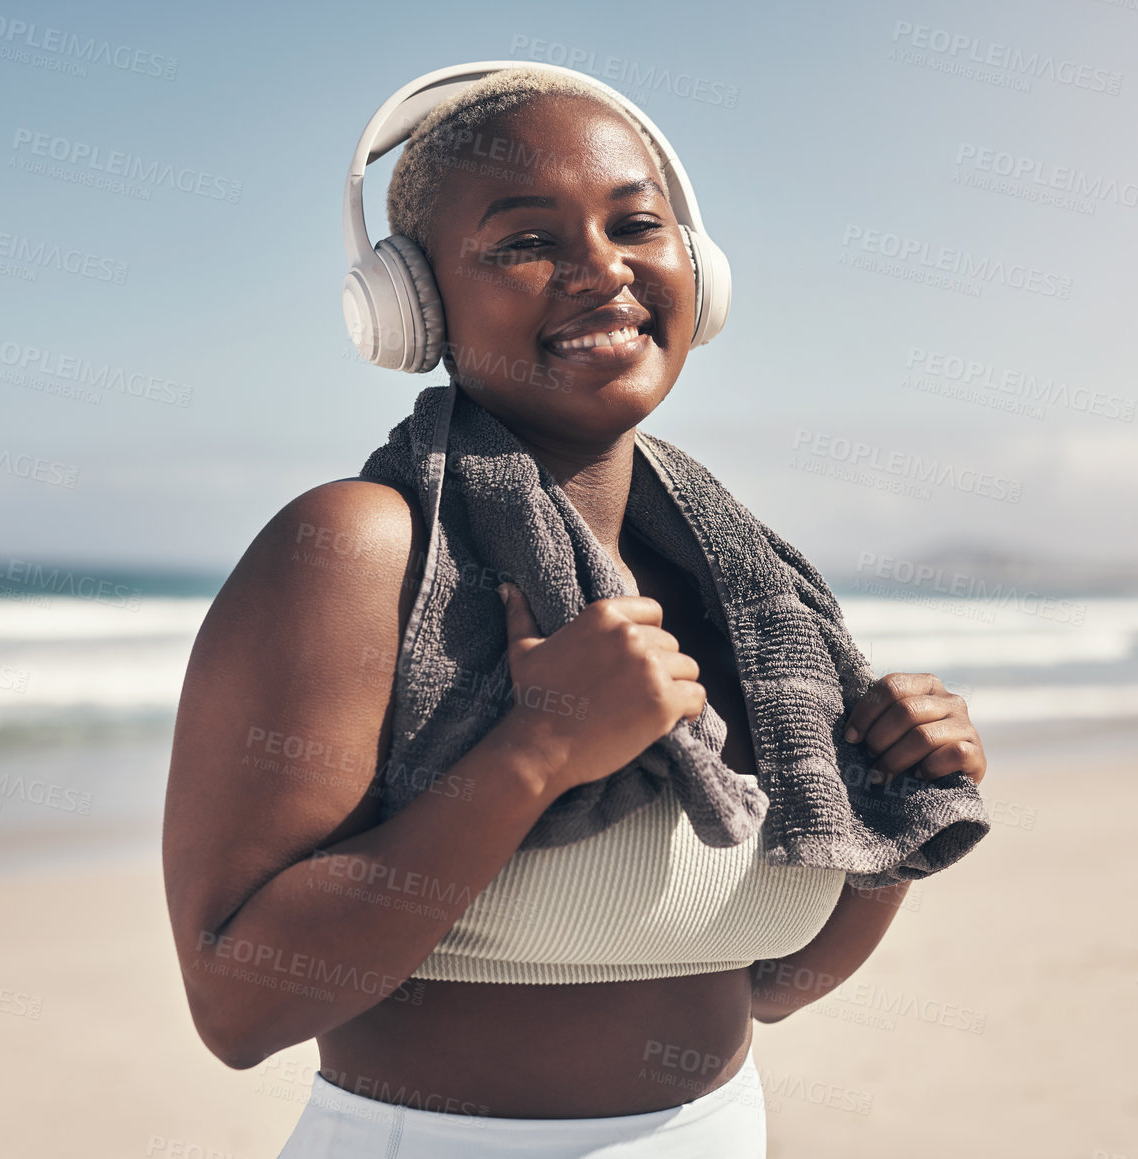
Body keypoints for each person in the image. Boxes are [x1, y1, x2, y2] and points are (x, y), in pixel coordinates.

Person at [162, 65, 987, 1157]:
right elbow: (237, 1006)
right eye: (522, 242)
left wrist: (894, 809)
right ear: (410, 304)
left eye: (635, 224)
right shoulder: (358, 547)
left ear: (695, 269)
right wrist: (535, 751)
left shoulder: (742, 588)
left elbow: (773, 984)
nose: (599, 270)